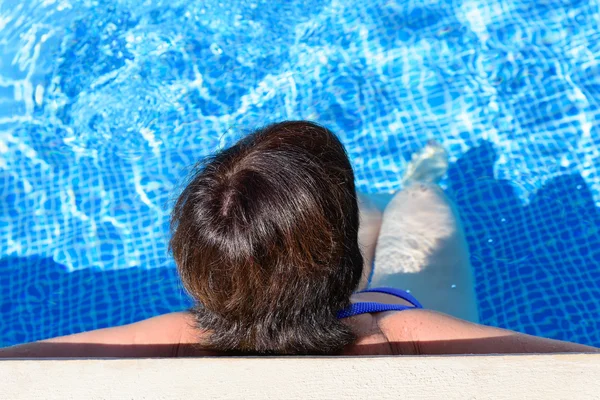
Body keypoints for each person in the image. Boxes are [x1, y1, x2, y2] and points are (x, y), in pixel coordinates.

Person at [1, 121, 597, 358]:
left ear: (194, 267)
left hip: (297, 299)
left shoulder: (171, 339)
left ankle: (337, 220)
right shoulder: (408, 337)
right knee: (419, 207)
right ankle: (414, 183)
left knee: (359, 223)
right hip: (377, 313)